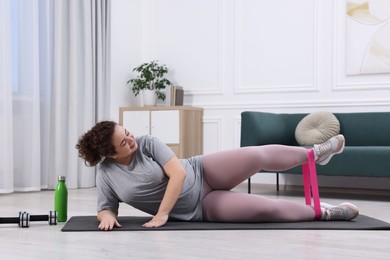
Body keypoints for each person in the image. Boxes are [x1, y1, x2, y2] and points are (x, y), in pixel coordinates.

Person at [76, 121, 359, 231]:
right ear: (111, 154)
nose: (130, 139)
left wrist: (162, 214)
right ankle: (325, 212)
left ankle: (315, 154)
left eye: (126, 132)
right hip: (199, 208)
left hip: (203, 171)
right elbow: (105, 207)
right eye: (123, 143)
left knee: (255, 155)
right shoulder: (108, 174)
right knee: (266, 208)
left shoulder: (147, 142)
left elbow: (178, 174)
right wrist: (107, 216)